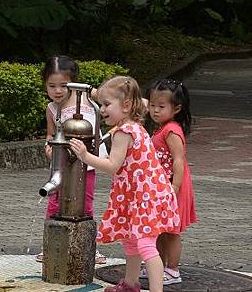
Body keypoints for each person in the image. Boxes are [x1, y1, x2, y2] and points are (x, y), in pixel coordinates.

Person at [69, 76, 180, 292]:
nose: (102, 109)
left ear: (127, 105)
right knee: (131, 240)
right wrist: (107, 94)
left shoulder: (123, 132)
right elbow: (143, 103)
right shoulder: (134, 124)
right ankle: (130, 285)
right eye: (101, 104)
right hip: (140, 196)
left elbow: (112, 165)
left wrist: (84, 156)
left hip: (145, 198)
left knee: (146, 246)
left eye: (107, 104)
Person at [36, 55, 109, 264]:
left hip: (87, 161)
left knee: (85, 203)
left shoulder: (85, 95)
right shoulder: (51, 108)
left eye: (63, 85)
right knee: (54, 202)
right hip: (61, 162)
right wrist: (48, 147)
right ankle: (50, 246)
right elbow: (50, 135)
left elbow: (108, 98)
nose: (58, 91)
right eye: (52, 86)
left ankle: (88, 247)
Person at [141, 78, 197, 285]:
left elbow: (179, 160)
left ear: (177, 108)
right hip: (161, 186)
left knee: (172, 231)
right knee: (161, 229)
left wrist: (174, 187)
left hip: (173, 186)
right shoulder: (162, 127)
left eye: (161, 106)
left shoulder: (172, 130)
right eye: (153, 105)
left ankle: (173, 269)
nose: (155, 110)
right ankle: (158, 265)